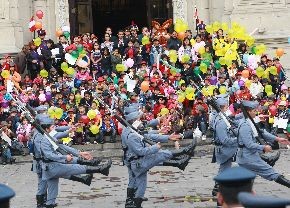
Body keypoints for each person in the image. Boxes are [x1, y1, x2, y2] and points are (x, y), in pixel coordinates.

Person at [122, 110, 195, 208]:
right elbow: (141, 151)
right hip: (138, 162)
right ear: (134, 121)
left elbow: (148, 135)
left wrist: (168, 137)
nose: (140, 121)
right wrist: (155, 147)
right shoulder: (131, 135)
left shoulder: (132, 130)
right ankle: (183, 152)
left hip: (136, 161)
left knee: (141, 185)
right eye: (138, 119)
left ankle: (134, 204)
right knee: (160, 154)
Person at [39, 116, 112, 207]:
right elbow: (50, 155)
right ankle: (100, 169)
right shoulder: (45, 140)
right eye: (52, 127)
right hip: (51, 166)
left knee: (52, 188)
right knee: (74, 168)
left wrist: (79, 153)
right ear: (46, 129)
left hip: (49, 167)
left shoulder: (48, 137)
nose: (55, 128)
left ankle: (50, 204)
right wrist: (65, 157)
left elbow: (62, 147)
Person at [237, 100, 290, 188]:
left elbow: (262, 133)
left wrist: (277, 139)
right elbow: (249, 144)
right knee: (271, 172)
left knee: (247, 179)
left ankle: (236, 196)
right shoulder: (245, 125)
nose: (256, 112)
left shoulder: (250, 122)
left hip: (248, 156)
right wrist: (263, 147)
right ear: (248, 112)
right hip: (248, 157)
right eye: (254, 111)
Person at [210, 97, 238, 196]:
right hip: (225, 148)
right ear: (224, 107)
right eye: (227, 106)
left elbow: (233, 120)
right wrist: (238, 139)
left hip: (225, 148)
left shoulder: (220, 117)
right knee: (246, 155)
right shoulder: (221, 122)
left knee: (225, 167)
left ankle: (219, 186)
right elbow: (225, 140)